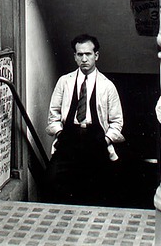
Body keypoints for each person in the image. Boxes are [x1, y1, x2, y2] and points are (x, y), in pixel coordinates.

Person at [44, 34, 124, 205]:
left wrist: (105, 139)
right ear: (75, 56)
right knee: (53, 180)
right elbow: (53, 115)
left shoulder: (107, 86)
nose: (84, 59)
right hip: (69, 138)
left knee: (96, 187)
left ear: (96, 56)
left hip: (96, 139)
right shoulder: (64, 82)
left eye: (88, 54)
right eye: (80, 55)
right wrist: (60, 133)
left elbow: (117, 122)